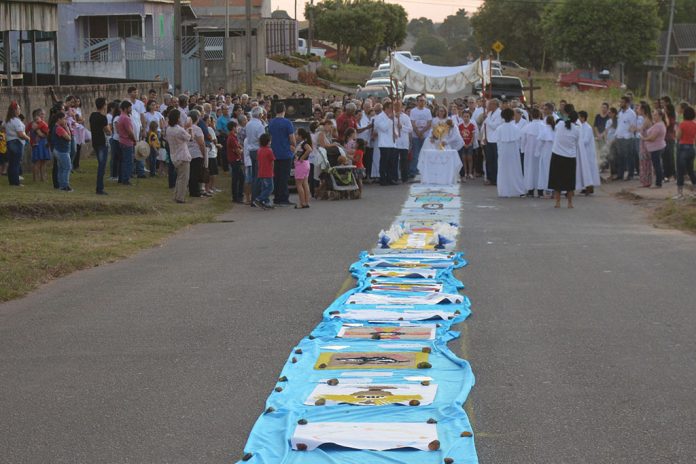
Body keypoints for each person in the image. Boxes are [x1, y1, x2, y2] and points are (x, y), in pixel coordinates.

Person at [549, 106, 581, 208]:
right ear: (576, 120)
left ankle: (557, 202)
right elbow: (576, 142)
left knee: (557, 180)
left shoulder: (560, 124)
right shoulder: (577, 130)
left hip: (557, 154)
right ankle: (570, 203)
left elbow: (556, 130)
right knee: (569, 181)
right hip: (570, 157)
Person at [268, 103, 296, 205]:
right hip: (285, 152)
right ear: (284, 110)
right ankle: (284, 198)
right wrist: (293, 145)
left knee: (276, 176)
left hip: (275, 152)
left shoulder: (271, 122)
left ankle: (277, 197)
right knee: (284, 177)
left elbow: (270, 137)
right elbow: (292, 138)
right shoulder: (287, 122)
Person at [495, 108, 526, 198]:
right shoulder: (516, 128)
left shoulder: (499, 128)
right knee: (515, 170)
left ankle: (504, 191)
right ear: (512, 116)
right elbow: (519, 140)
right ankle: (517, 189)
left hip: (503, 152)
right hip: (513, 152)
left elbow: (497, 141)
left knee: (503, 170)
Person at [164, 109, 192, 203]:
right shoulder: (179, 129)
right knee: (184, 178)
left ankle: (176, 195)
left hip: (174, 155)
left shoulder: (168, 129)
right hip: (183, 155)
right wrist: (189, 128)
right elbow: (189, 137)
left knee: (179, 177)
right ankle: (180, 197)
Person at [4, 101, 30, 186]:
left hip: (9, 142)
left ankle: (11, 181)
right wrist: (28, 138)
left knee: (11, 163)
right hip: (17, 142)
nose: (20, 110)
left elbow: (2, 128)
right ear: (15, 110)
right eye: (18, 108)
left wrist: (9, 134)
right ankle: (16, 182)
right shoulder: (16, 121)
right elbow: (20, 134)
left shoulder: (7, 120)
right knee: (16, 163)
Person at [673, 105, 696, 200]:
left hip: (682, 147)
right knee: (691, 171)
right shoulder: (694, 124)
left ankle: (680, 194)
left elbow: (678, 136)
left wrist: (676, 130)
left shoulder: (682, 124)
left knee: (680, 171)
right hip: (691, 148)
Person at [89, 97, 111, 194]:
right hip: (102, 143)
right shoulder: (103, 117)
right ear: (103, 106)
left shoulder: (92, 115)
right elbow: (108, 131)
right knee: (102, 166)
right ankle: (99, 188)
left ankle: (99, 187)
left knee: (100, 164)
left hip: (95, 142)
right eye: (106, 104)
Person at [374, 101, 399, 185]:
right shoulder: (379, 117)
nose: (392, 110)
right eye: (390, 108)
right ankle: (383, 179)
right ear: (386, 108)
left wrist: (396, 133)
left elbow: (394, 127)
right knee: (384, 162)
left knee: (391, 162)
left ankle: (390, 178)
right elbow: (383, 128)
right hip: (384, 143)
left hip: (392, 142)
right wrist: (390, 119)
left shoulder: (391, 117)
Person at [245, 107, 266, 206]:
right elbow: (262, 140)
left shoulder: (248, 124)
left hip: (251, 150)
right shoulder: (259, 125)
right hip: (258, 150)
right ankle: (257, 198)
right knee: (258, 175)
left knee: (254, 175)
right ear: (260, 115)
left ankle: (254, 198)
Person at [576, 110, 601, 195]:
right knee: (583, 170)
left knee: (589, 170)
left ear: (583, 118)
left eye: (579, 117)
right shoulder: (579, 126)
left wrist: (577, 142)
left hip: (587, 153)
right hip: (582, 152)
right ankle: (585, 187)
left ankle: (590, 187)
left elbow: (586, 140)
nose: (577, 119)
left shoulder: (588, 128)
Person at [643, 108, 667, 189]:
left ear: (660, 116)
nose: (653, 116)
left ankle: (658, 183)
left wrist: (643, 138)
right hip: (657, 147)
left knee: (657, 166)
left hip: (656, 148)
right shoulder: (659, 124)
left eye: (655, 115)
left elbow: (652, 138)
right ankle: (659, 181)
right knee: (658, 165)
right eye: (653, 114)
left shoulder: (658, 125)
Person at [410, 94, 432, 178]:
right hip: (415, 135)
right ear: (417, 102)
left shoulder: (428, 111)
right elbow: (412, 123)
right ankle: (413, 171)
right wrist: (418, 132)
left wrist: (422, 132)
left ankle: (425, 170)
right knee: (415, 154)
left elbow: (429, 123)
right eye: (420, 100)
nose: (422, 102)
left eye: (423, 101)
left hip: (425, 135)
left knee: (425, 153)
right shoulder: (413, 111)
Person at [615, 96, 637, 181]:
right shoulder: (620, 113)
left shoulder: (631, 113)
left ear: (627, 103)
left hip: (627, 138)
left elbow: (633, 126)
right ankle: (620, 175)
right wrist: (616, 135)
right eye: (620, 102)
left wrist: (627, 135)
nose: (620, 104)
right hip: (619, 137)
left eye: (622, 102)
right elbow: (619, 125)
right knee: (620, 157)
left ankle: (630, 174)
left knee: (629, 157)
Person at [50, 111, 73, 191]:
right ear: (59, 119)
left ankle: (61, 185)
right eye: (64, 119)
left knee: (61, 168)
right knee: (67, 167)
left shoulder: (56, 127)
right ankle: (65, 186)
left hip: (58, 150)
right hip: (62, 151)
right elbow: (69, 138)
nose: (65, 120)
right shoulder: (59, 128)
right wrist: (66, 127)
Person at [115, 100, 137, 185]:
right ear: (125, 108)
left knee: (123, 161)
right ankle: (126, 179)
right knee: (128, 161)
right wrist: (134, 140)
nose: (131, 109)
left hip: (122, 141)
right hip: (127, 142)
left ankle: (122, 178)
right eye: (129, 108)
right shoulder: (126, 118)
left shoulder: (120, 117)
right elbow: (130, 132)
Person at [482, 99, 502, 185]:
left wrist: (486, 119)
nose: (489, 106)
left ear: (495, 105)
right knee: (488, 160)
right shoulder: (489, 113)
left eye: (490, 104)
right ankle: (489, 178)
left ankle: (495, 179)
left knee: (495, 160)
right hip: (488, 140)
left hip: (495, 140)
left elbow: (494, 126)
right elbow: (485, 127)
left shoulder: (500, 113)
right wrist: (484, 137)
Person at [522, 108, 542, 197]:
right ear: (540, 115)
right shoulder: (544, 126)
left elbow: (523, 140)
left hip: (529, 151)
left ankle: (530, 190)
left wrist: (522, 149)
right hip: (540, 152)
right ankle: (540, 190)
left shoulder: (527, 127)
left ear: (531, 116)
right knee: (540, 170)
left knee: (529, 169)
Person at [186, 110, 207, 198]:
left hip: (188, 152)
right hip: (196, 153)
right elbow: (201, 143)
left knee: (191, 173)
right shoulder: (197, 129)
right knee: (196, 173)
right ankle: (195, 192)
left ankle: (192, 190)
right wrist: (204, 153)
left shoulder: (185, 128)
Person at [28, 108, 51, 182]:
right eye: (41, 114)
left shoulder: (42, 123)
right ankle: (35, 179)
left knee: (43, 161)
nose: (43, 115)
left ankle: (43, 178)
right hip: (38, 144)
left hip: (43, 143)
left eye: (44, 114)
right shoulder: (34, 123)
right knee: (37, 162)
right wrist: (47, 135)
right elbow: (41, 135)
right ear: (37, 115)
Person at [537, 115, 556, 198]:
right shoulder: (555, 130)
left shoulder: (544, 130)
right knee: (553, 171)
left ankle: (544, 189)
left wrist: (537, 152)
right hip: (554, 153)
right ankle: (553, 190)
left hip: (545, 153)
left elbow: (540, 143)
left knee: (544, 171)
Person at [254, 133, 275, 209]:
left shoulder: (259, 150)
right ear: (268, 141)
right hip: (268, 172)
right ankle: (259, 199)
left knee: (264, 188)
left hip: (261, 172)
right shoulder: (269, 150)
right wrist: (272, 170)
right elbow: (272, 161)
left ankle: (266, 202)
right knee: (270, 188)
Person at [394, 100, 413, 183]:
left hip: (403, 142)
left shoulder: (406, 117)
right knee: (394, 161)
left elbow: (410, 129)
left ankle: (404, 178)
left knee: (404, 161)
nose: (397, 107)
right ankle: (394, 178)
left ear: (401, 106)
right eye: (395, 106)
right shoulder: (391, 116)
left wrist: (402, 127)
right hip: (394, 142)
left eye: (399, 106)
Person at [635, 102, 653, 188]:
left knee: (645, 162)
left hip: (645, 144)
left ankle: (646, 181)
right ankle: (645, 181)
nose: (637, 110)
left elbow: (641, 130)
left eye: (639, 108)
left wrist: (635, 129)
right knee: (644, 162)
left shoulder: (646, 120)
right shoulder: (646, 119)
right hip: (644, 143)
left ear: (643, 110)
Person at [294, 127, 313, 209]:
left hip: (301, 164)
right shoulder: (301, 143)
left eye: (296, 134)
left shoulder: (303, 143)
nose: (295, 135)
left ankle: (302, 203)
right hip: (305, 164)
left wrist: (302, 158)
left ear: (300, 136)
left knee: (299, 184)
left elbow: (309, 149)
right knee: (305, 183)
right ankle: (306, 202)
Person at [226, 120, 244, 203]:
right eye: (236, 127)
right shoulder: (232, 138)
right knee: (237, 178)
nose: (237, 128)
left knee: (240, 178)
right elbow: (238, 151)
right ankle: (236, 197)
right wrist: (241, 150)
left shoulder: (233, 137)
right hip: (235, 160)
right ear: (233, 128)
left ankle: (239, 195)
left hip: (235, 159)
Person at [458, 110, 476, 180]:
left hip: (469, 144)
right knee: (463, 158)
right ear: (462, 117)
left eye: (467, 116)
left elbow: (473, 136)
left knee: (469, 158)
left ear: (470, 117)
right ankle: (465, 172)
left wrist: (470, 143)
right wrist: (463, 144)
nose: (466, 118)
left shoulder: (472, 125)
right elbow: (459, 136)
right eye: (464, 116)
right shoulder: (460, 126)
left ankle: (470, 173)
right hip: (463, 144)